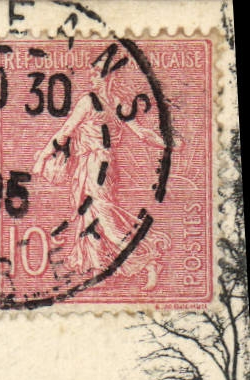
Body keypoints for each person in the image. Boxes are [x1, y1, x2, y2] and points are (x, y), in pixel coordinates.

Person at [31, 63, 168, 282]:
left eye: (97, 75)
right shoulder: (116, 103)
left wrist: (42, 158)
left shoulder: (91, 102)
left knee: (104, 219)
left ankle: (148, 260)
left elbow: (65, 132)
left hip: (97, 166)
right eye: (92, 74)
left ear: (109, 78)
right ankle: (94, 267)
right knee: (90, 216)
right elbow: (142, 133)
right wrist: (167, 143)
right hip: (99, 164)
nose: (92, 78)